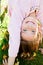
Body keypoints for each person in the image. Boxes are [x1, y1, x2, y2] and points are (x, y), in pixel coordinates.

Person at [3, 0, 43, 65]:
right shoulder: (41, 17)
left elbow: (14, 40)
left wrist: (10, 63)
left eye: (25, 30)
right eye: (33, 31)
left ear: (19, 28)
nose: (29, 26)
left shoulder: (19, 13)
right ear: (38, 30)